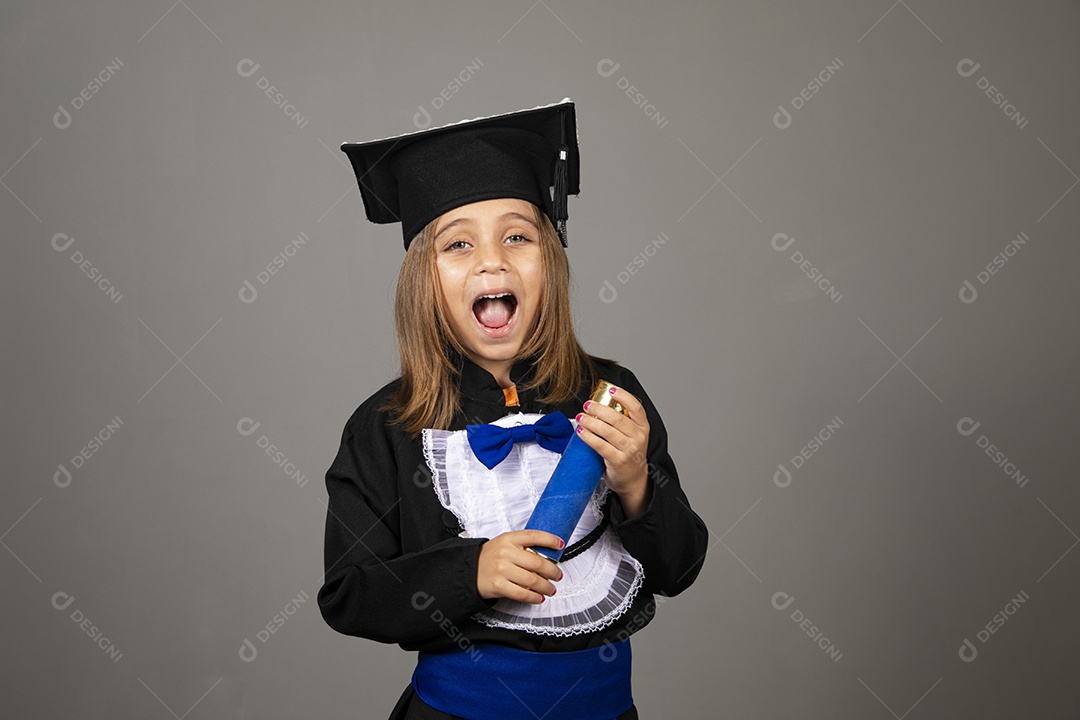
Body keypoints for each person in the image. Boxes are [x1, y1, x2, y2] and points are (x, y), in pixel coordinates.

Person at [319, 99, 708, 720]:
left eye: (517, 236)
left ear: (549, 260)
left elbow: (678, 568)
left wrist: (635, 482)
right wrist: (470, 570)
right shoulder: (386, 427)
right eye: (458, 244)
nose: (491, 260)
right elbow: (350, 595)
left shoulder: (611, 394)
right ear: (423, 281)